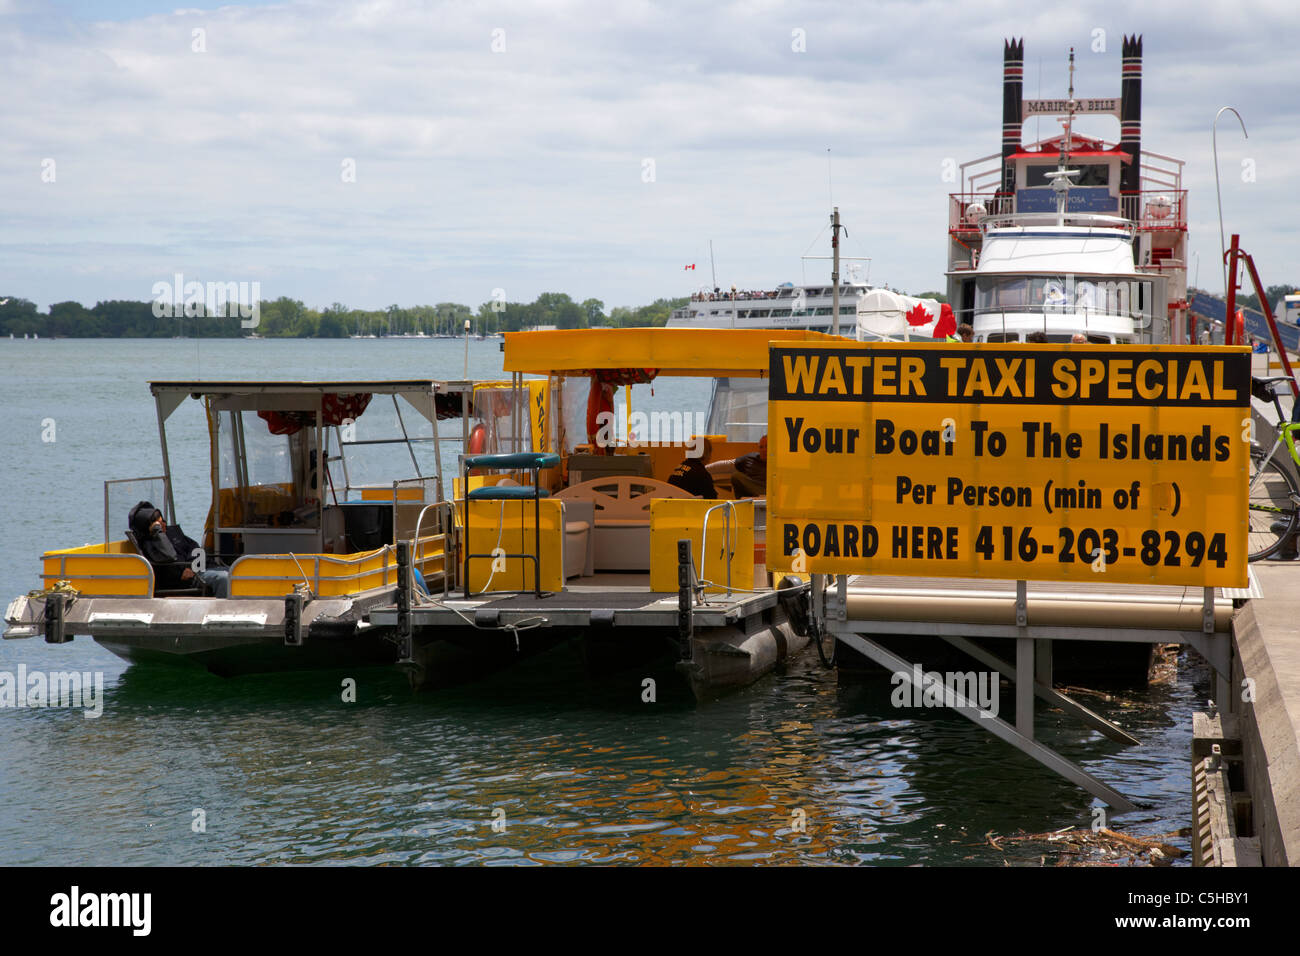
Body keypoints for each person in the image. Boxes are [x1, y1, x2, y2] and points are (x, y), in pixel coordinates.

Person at [129, 501, 230, 597]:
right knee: (223, 578)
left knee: (235, 572)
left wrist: (192, 567)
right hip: (185, 581)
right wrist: (158, 533)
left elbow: (194, 548)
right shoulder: (150, 545)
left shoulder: (172, 533)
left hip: (198, 569)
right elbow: (169, 556)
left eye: (163, 520)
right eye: (159, 525)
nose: (164, 524)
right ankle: (225, 611)